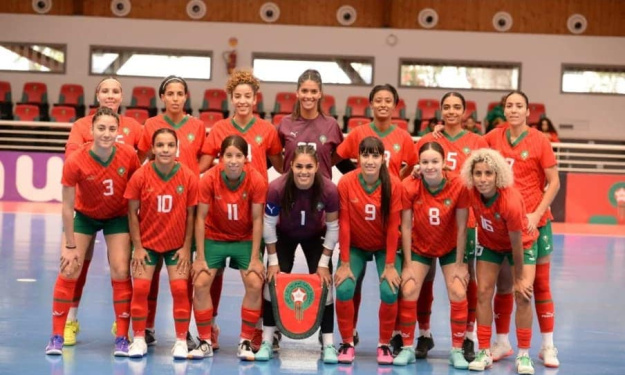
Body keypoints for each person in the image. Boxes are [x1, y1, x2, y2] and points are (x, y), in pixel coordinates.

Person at [46, 107, 140, 356]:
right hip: (84, 217)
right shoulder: (76, 159)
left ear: (118, 131)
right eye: (101, 128)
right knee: (69, 267)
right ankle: (56, 335)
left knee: (121, 268)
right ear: (91, 130)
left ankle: (121, 336)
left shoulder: (129, 155)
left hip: (116, 218)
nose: (106, 133)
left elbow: (136, 193)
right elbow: (67, 207)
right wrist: (69, 244)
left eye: (111, 129)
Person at [200, 70, 284, 350]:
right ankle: (209, 326)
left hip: (253, 212)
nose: (243, 101)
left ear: (255, 98)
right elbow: (203, 165)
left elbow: (279, 164)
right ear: (231, 98)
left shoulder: (267, 129)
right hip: (221, 212)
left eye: (248, 96)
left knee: (255, 277)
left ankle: (256, 331)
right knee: (213, 276)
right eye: (238, 96)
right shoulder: (221, 129)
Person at [410, 92, 488, 361]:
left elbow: (486, 177)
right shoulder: (430, 140)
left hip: (467, 220)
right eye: (447, 107)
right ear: (441, 111)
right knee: (425, 279)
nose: (452, 111)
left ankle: (468, 336)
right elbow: (413, 172)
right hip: (430, 221)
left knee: (466, 280)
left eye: (457, 107)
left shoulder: (478, 142)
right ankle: (424, 333)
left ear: (465, 111)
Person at [484, 91, 560, 368]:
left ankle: (548, 346)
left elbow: (554, 182)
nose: (514, 109)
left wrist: (537, 213)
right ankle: (502, 341)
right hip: (504, 224)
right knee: (504, 284)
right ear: (503, 110)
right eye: (509, 105)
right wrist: (439, 135)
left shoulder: (540, 140)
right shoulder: (493, 137)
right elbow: (472, 153)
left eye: (519, 106)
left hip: (536, 222)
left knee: (537, 285)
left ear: (528, 111)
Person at [136, 75, 208, 349]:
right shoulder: (151, 125)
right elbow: (141, 157)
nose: (175, 98)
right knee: (149, 273)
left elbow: (205, 155)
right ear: (162, 97)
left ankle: (185, 331)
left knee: (182, 273)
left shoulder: (197, 126)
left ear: (186, 97)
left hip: (183, 208)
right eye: (170, 93)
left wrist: (192, 176)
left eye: (180, 93)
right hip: (154, 208)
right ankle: (147, 327)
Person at [255, 145, 339, 363]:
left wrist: (323, 262)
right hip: (284, 235)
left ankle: (328, 342)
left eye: (309, 167)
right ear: (290, 166)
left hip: (315, 235)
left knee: (325, 283)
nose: (304, 171)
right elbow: (268, 225)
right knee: (272, 282)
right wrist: (273, 261)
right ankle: (267, 338)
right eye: (299, 166)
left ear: (318, 167)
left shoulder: (329, 190)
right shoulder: (276, 188)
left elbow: (333, 228)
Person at [459, 148, 538, 375]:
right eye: (478, 173)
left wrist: (520, 278)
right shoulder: (471, 192)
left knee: (523, 295)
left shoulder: (510, 201)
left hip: (521, 246)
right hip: (490, 245)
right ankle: (484, 350)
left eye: (488, 174)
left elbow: (516, 242)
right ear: (471, 175)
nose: (482, 179)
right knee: (483, 292)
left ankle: (524, 354)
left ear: (498, 176)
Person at [190, 135, 267, 361]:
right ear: (220, 157)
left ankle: (245, 340)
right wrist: (200, 257)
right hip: (214, 237)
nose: (233, 161)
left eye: (238, 156)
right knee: (201, 282)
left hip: (244, 239)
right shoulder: (209, 179)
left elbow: (257, 220)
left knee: (254, 282)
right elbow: (200, 217)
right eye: (228, 155)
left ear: (246, 158)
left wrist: (255, 258)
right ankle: (205, 339)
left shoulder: (256, 180)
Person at [394, 141, 470, 369]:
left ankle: (456, 350)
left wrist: (459, 264)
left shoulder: (458, 185)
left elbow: (463, 227)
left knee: (457, 289)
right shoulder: (410, 186)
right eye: (425, 162)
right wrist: (407, 264)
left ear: (444, 163)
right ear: (418, 164)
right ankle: (407, 347)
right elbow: (405, 227)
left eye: (435, 161)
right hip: (420, 246)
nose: (430, 166)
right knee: (408, 287)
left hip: (449, 247)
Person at [124, 128, 199, 359]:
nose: (165, 149)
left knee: (179, 290)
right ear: (153, 148)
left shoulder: (187, 176)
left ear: (177, 148)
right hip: (147, 245)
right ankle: (138, 338)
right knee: (141, 289)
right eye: (160, 145)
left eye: (169, 145)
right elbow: (131, 212)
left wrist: (187, 247)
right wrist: (137, 246)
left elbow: (191, 216)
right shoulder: (140, 175)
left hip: (176, 245)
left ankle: (180, 341)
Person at [334, 136, 403, 365]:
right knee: (344, 288)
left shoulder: (393, 184)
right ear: (357, 158)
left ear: (383, 159)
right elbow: (343, 223)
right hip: (355, 245)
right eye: (365, 155)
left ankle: (384, 344)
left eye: (375, 155)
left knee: (390, 290)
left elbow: (394, 226)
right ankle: (346, 342)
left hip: (385, 247)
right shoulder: (345, 182)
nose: (370, 160)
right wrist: (344, 263)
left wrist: (391, 265)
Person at [335, 84, 417, 179]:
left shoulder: (404, 136)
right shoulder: (357, 132)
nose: (383, 105)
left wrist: (399, 178)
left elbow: (412, 163)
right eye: (378, 101)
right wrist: (355, 178)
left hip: (391, 192)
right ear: (371, 104)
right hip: (363, 192)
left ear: (394, 105)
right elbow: (337, 157)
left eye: (388, 101)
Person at [277, 69, 347, 179]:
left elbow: (341, 155)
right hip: (290, 191)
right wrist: (286, 171)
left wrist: (325, 165)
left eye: (314, 91)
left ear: (320, 94)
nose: (309, 96)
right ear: (297, 93)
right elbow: (273, 154)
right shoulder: (285, 123)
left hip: (321, 192)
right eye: (304, 91)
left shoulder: (331, 125)